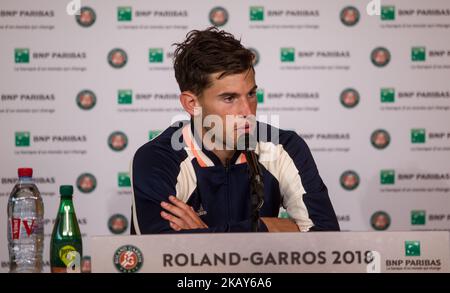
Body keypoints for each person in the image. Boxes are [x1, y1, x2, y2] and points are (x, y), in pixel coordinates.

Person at [131, 27, 339, 234]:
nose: (247, 111)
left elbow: (324, 238)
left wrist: (202, 239)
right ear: (191, 103)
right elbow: (156, 256)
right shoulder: (158, 159)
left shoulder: (283, 146)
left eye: (250, 94)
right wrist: (267, 229)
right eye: (229, 98)